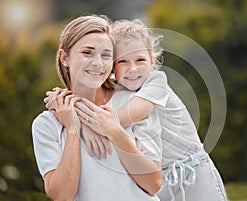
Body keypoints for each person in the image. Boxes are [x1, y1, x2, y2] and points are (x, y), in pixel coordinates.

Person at [45, 18, 228, 201]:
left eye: (140, 59)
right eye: (122, 61)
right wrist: (65, 99)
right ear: (112, 68)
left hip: (194, 174)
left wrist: (77, 119)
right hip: (163, 179)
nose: (132, 69)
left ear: (152, 60)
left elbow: (120, 118)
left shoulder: (157, 83)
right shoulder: (124, 88)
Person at [32, 15, 162, 201]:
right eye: (87, 52)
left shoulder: (133, 103)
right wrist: (73, 129)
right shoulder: (47, 123)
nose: (98, 63)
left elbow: (153, 183)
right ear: (64, 58)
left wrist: (114, 131)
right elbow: (62, 195)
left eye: (106, 55)